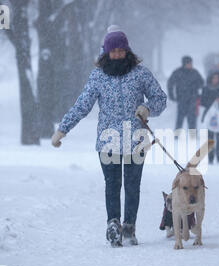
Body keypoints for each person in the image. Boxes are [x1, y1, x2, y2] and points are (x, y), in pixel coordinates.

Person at [51, 26, 167, 247]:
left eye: (120, 50)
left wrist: (147, 108)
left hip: (135, 140)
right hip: (108, 140)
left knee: (132, 185)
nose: (116, 54)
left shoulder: (141, 74)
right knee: (112, 184)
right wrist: (62, 130)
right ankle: (113, 224)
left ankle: (129, 226)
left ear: (127, 50)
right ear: (106, 52)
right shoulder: (98, 76)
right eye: (112, 51)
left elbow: (160, 99)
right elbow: (82, 105)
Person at [167, 56, 204, 136]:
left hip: (193, 98)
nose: (191, 65)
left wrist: (197, 89)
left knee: (192, 118)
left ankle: (193, 135)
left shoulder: (195, 72)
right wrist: (171, 95)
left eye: (191, 63)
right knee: (180, 118)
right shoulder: (178, 72)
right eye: (189, 63)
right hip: (181, 99)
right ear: (184, 64)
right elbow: (170, 83)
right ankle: (177, 135)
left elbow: (202, 83)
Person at [201, 72, 219, 164]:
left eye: (217, 78)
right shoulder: (206, 88)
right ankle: (210, 157)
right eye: (213, 78)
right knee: (210, 138)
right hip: (209, 115)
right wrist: (211, 103)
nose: (215, 80)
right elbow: (202, 101)